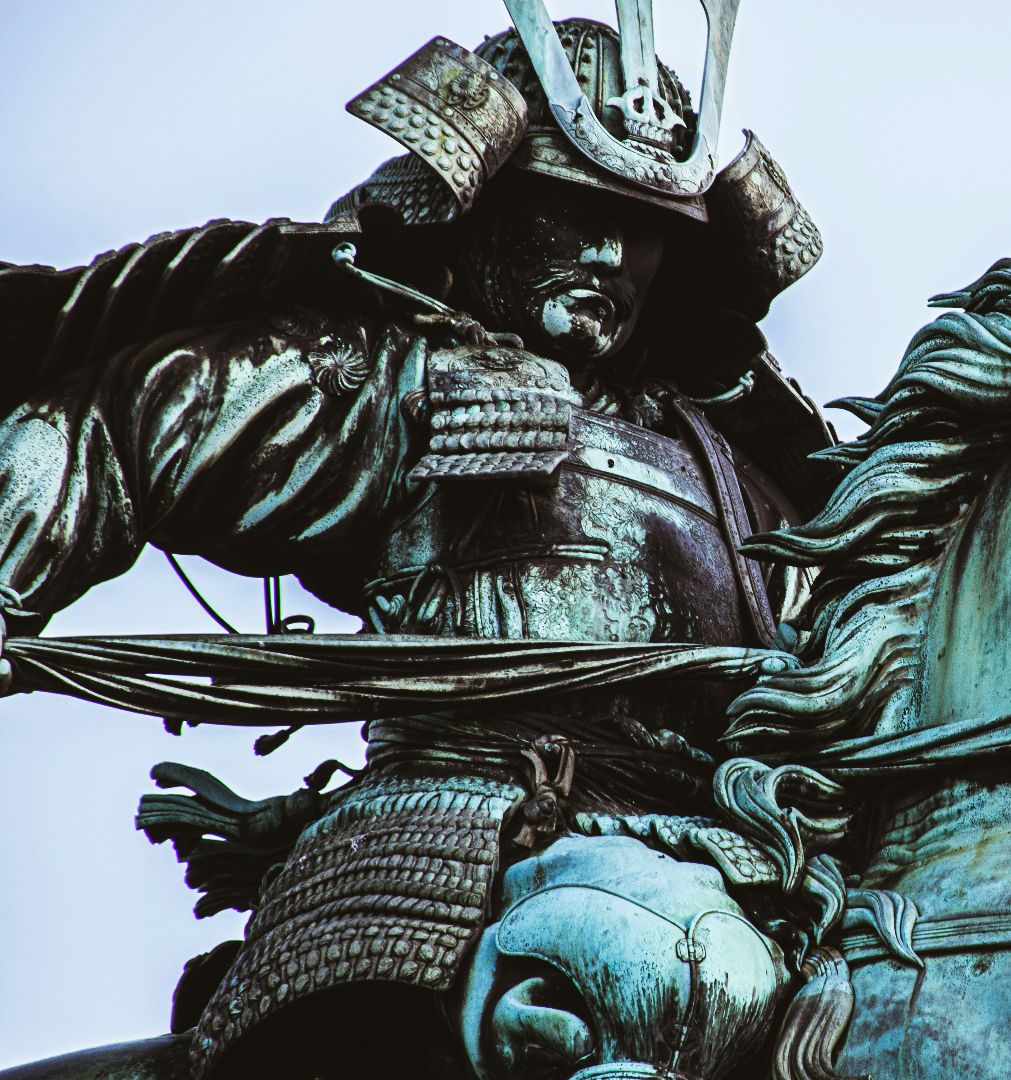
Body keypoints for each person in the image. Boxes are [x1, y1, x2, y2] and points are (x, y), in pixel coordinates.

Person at [0, 13, 837, 1079]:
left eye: (642, 226)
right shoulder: (411, 389)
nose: (608, 254)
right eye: (570, 209)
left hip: (729, 875)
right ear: (477, 211)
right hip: (451, 856)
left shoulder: (752, 473)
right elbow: (120, 429)